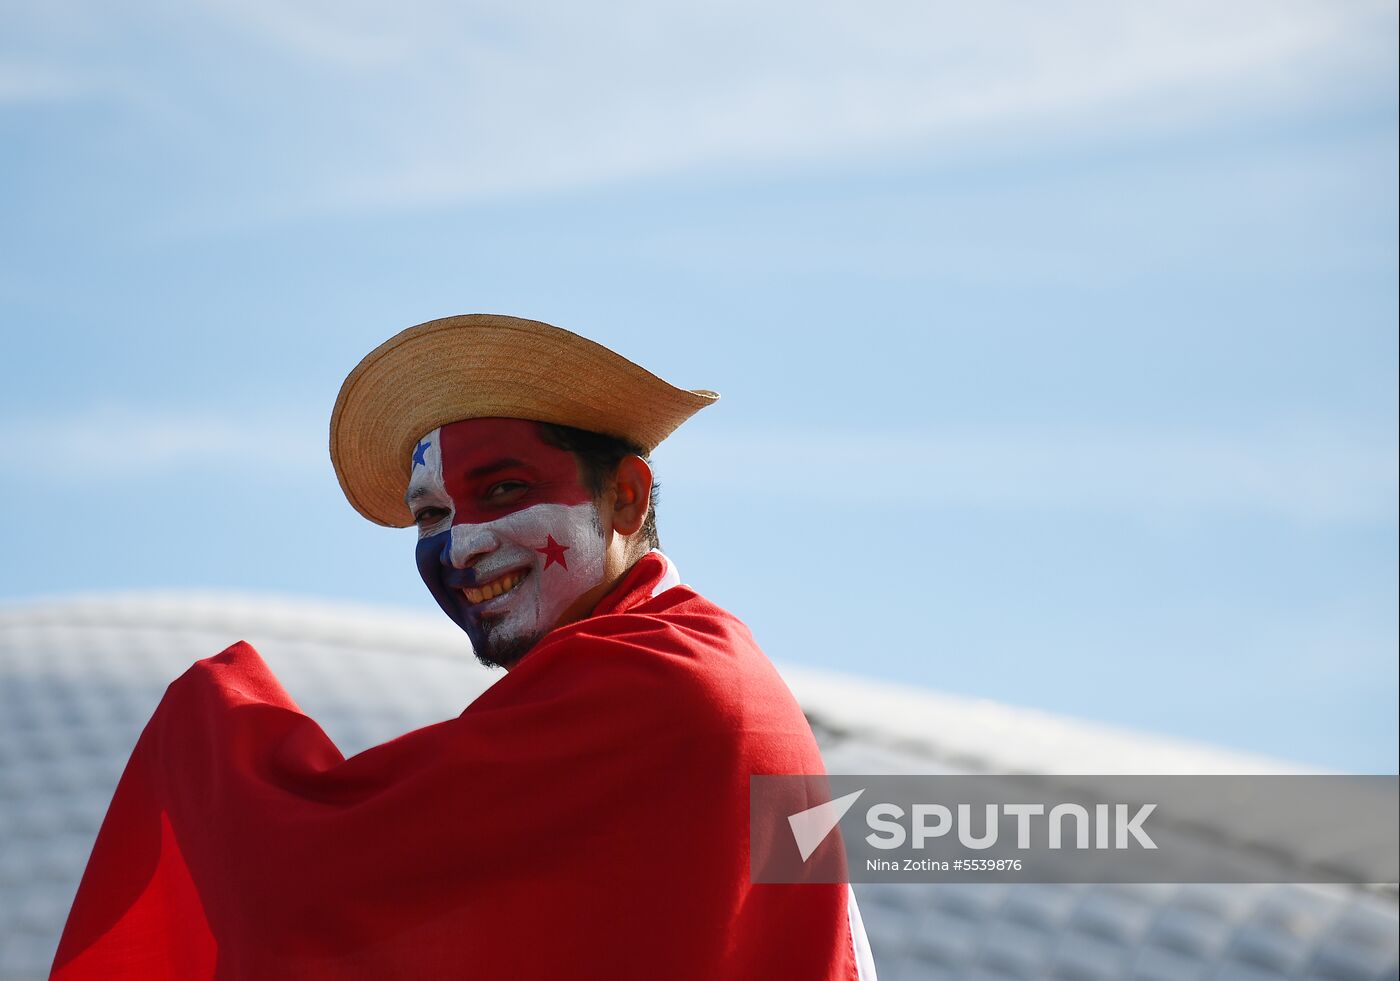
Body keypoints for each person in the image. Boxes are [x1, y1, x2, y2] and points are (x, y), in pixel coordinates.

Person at [51, 314, 877, 980]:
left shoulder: (655, 685)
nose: (463, 546)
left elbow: (327, 878)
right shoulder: (702, 658)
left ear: (624, 498)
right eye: (432, 515)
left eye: (505, 490)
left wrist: (211, 722)